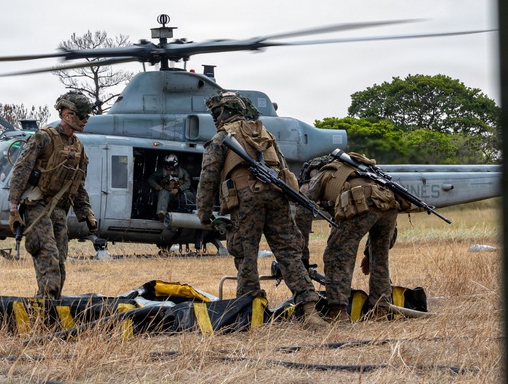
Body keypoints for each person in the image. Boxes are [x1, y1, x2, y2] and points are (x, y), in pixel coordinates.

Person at [195, 91, 326, 328]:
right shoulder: (264, 134)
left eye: (217, 112)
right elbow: (284, 168)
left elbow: (208, 177)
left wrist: (204, 214)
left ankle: (249, 313)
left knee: (246, 255)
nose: (215, 117)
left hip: (247, 200)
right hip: (277, 196)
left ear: (228, 111)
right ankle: (309, 310)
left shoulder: (222, 138)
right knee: (289, 253)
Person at [8, 90, 98, 298]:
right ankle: (46, 302)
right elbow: (21, 171)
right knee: (46, 253)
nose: (86, 120)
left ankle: (53, 301)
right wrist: (13, 209)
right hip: (36, 204)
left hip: (58, 209)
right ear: (68, 115)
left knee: (59, 258)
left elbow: (78, 183)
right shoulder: (43, 138)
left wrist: (86, 212)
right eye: (83, 115)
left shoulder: (78, 147)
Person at [302, 152, 399, 321]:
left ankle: (338, 312)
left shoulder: (322, 174)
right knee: (380, 258)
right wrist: (370, 253)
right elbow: (388, 222)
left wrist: (301, 251)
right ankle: (380, 310)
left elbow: (302, 209)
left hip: (361, 202)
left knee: (336, 255)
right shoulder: (365, 171)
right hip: (389, 206)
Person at [148, 153, 194, 220]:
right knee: (163, 193)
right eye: (167, 164)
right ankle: (161, 212)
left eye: (170, 165)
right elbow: (151, 179)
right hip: (167, 192)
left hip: (179, 192)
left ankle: (190, 212)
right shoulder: (162, 171)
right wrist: (157, 186)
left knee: (189, 194)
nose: (168, 167)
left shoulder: (182, 172)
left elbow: (187, 183)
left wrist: (179, 189)